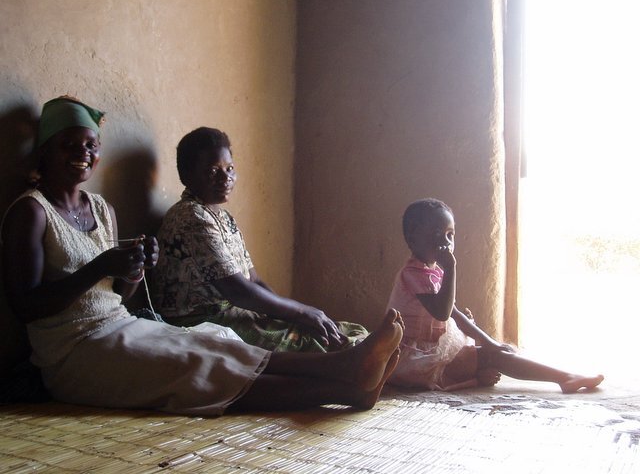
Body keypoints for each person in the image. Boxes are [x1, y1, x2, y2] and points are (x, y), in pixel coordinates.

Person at [0, 96, 404, 416]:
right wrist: (101, 266)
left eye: (91, 144)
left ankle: (349, 375)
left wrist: (135, 269)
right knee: (194, 366)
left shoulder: (101, 208)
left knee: (219, 347)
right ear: (45, 152)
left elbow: (118, 295)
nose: (83, 153)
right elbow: (25, 307)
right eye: (68, 145)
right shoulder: (31, 213)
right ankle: (346, 383)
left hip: (119, 325)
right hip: (72, 353)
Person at [153, 127, 367, 352]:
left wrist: (293, 316)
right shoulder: (191, 216)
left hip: (232, 310)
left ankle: (373, 358)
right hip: (201, 319)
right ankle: (369, 363)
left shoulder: (224, 219)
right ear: (187, 176)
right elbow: (238, 291)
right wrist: (301, 312)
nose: (226, 178)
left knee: (339, 330)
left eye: (230, 168)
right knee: (314, 342)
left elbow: (253, 280)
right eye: (213, 171)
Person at [386, 197, 604, 393]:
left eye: (450, 235)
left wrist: (488, 340)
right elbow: (443, 313)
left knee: (491, 352)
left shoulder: (433, 271)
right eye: (436, 235)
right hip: (414, 361)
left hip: (431, 351)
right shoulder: (411, 274)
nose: (446, 242)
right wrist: (451, 268)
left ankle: (479, 373)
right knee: (493, 357)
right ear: (413, 239)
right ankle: (565, 378)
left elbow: (454, 313)